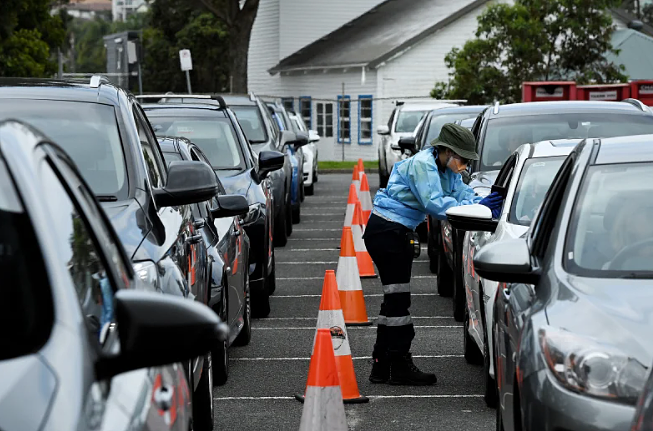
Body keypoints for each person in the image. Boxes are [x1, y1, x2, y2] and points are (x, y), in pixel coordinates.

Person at [362, 123, 503, 386]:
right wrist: (476, 206)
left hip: (395, 231)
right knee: (398, 301)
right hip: (388, 231)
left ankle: (382, 365)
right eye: (462, 158)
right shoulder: (423, 165)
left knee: (394, 299)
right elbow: (435, 204)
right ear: (447, 151)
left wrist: (480, 202)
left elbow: (461, 193)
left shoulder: (445, 169)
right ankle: (397, 363)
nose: (464, 165)